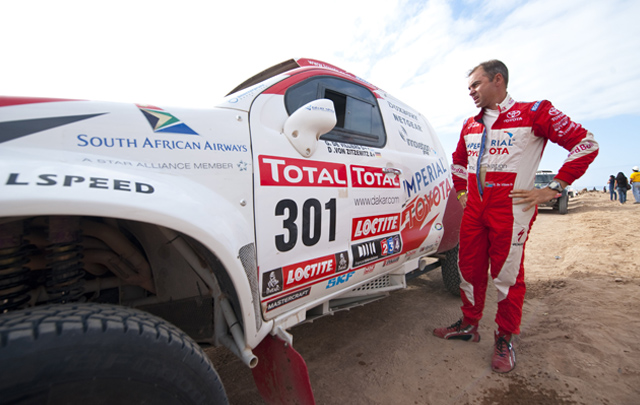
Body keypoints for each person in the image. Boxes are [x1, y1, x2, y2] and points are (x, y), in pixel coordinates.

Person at [433, 60, 599, 373]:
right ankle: (469, 325)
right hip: (475, 211)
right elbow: (457, 163)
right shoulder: (469, 124)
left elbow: (585, 144)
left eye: (476, 85)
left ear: (498, 80)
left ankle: (505, 337)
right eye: (468, 87)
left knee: (507, 278)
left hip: (510, 211)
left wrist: (553, 188)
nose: (470, 92)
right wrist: (463, 194)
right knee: (467, 269)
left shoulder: (535, 112)